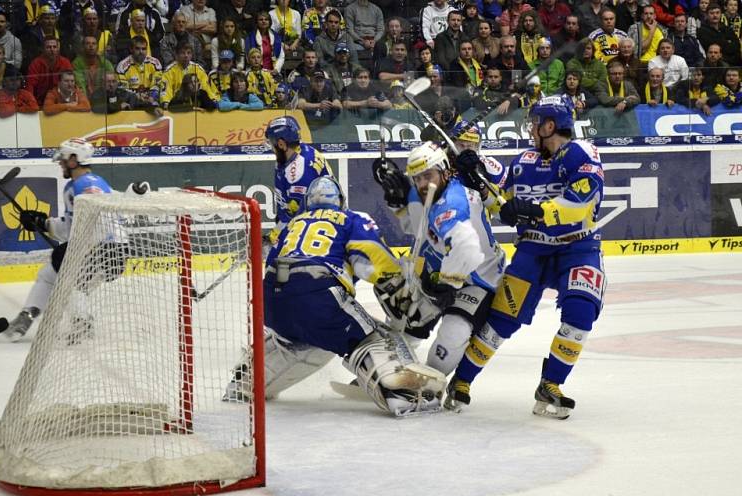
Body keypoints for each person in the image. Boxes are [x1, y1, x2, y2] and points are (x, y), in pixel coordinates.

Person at [229, 176, 446, 416]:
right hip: (319, 295)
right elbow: (370, 261)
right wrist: (399, 281)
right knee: (375, 338)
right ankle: (401, 395)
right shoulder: (350, 218)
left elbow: (273, 265)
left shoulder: (294, 223)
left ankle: (244, 382)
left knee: (299, 340)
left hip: (271, 302)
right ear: (340, 200)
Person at [447, 96, 606, 420]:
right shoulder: (523, 161)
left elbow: (580, 202)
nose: (531, 129)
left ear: (549, 126)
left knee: (580, 312)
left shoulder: (582, 153)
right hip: (533, 249)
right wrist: (472, 179)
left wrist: (531, 210)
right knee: (502, 320)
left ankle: (551, 383)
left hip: (578, 248)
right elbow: (501, 201)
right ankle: (460, 381)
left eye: (535, 123)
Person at [371, 139, 505, 401]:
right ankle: (387, 374)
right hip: (439, 268)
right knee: (402, 320)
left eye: (428, 175)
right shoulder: (423, 192)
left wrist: (446, 284)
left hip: (477, 278)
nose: (422, 183)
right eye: (417, 178)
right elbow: (415, 228)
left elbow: (467, 250)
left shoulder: (454, 202)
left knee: (453, 333)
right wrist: (396, 202)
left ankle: (425, 386)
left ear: (445, 171)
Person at [4, 138, 111, 342]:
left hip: (102, 247)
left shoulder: (84, 185)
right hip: (102, 247)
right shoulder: (87, 183)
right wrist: (42, 222)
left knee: (68, 276)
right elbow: (74, 225)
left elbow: (96, 221)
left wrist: (77, 249)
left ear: (74, 159)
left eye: (63, 159)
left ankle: (83, 324)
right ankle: (25, 317)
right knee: (49, 275)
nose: (60, 163)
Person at [264, 115, 333, 245]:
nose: (271, 148)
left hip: (315, 233)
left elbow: (297, 218)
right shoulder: (294, 152)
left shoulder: (298, 173)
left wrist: (273, 238)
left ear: (281, 144)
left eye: (272, 143)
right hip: (309, 222)